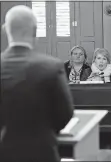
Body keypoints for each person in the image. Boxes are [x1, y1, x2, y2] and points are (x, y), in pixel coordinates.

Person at [0, 5, 74, 162]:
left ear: (6, 30)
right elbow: (65, 115)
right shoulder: (51, 67)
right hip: (42, 153)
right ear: (35, 32)